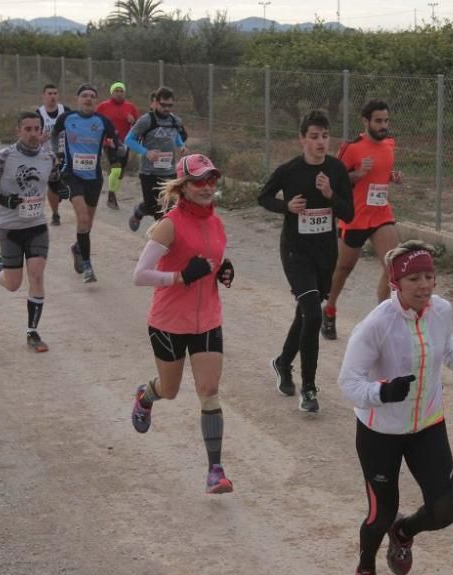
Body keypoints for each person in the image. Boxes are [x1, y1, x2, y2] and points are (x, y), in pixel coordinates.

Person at [339, 240, 453, 575]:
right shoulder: (376, 325)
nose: (424, 286)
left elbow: (445, 341)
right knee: (380, 513)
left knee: (444, 511)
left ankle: (404, 532)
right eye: (414, 279)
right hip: (380, 433)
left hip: (428, 425)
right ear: (396, 283)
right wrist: (384, 392)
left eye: (429, 277)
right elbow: (348, 382)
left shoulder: (441, 311)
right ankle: (365, 571)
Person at [129, 154, 236, 494]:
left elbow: (212, 259)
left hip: (207, 320)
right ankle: (146, 396)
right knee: (170, 390)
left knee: (209, 391)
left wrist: (223, 270)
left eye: (211, 181)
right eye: (199, 181)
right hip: (168, 322)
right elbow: (140, 275)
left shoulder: (217, 222)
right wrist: (180, 276)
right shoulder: (169, 224)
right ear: (183, 186)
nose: (207, 187)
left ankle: (215, 471)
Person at [258, 109, 354, 414]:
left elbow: (349, 214)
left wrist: (329, 196)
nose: (320, 142)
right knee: (313, 314)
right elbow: (263, 197)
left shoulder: (336, 171)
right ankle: (309, 388)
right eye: (314, 137)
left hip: (325, 255)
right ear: (302, 139)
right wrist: (287, 206)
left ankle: (283, 362)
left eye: (325, 136)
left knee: (306, 312)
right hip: (295, 253)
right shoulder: (290, 170)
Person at [322, 99, 404, 340]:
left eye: (386, 120)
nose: (383, 125)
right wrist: (357, 174)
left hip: (381, 215)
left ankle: (384, 315)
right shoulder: (352, 148)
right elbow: (335, 181)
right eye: (378, 121)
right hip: (355, 217)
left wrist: (392, 177)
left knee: (394, 264)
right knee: (343, 268)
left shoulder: (389, 144)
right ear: (365, 121)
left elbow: (381, 173)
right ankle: (329, 308)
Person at [0, 111, 59, 352]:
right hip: (10, 226)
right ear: (18, 131)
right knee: (13, 284)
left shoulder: (48, 157)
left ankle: (33, 332)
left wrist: (62, 190)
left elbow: (54, 180)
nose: (33, 134)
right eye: (28, 129)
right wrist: (5, 200)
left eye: (37, 129)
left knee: (36, 273)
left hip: (36, 226)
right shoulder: (5, 156)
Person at [51, 83, 120, 284]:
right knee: (82, 219)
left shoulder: (102, 121)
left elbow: (116, 141)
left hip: (94, 177)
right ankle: (88, 266)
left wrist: (119, 149)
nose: (88, 99)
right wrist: (57, 153)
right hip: (72, 174)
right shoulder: (66, 118)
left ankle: (77, 248)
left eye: (92, 96)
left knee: (87, 223)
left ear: (96, 101)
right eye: (84, 96)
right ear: (78, 99)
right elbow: (55, 134)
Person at [125, 85, 188, 232]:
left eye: (170, 105)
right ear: (156, 102)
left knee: (168, 208)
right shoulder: (146, 121)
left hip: (169, 171)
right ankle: (139, 211)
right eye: (163, 105)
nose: (166, 109)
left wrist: (181, 146)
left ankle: (164, 240)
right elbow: (128, 140)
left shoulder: (175, 121)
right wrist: (146, 152)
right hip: (149, 172)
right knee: (152, 206)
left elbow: (176, 135)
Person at [96, 82, 139, 210]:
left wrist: (133, 121)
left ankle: (113, 192)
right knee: (116, 169)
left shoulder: (131, 107)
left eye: (121, 91)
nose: (119, 93)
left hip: (125, 143)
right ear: (112, 92)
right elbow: (96, 122)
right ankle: (111, 194)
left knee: (121, 172)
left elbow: (139, 126)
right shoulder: (103, 106)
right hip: (109, 142)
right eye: (116, 91)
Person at [36, 83, 70, 226]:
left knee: (68, 182)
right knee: (53, 185)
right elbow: (32, 136)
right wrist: (40, 138)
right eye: (49, 93)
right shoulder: (39, 114)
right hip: (48, 155)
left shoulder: (65, 111)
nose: (52, 96)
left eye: (55, 93)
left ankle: (62, 191)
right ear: (43, 96)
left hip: (66, 153)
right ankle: (55, 214)